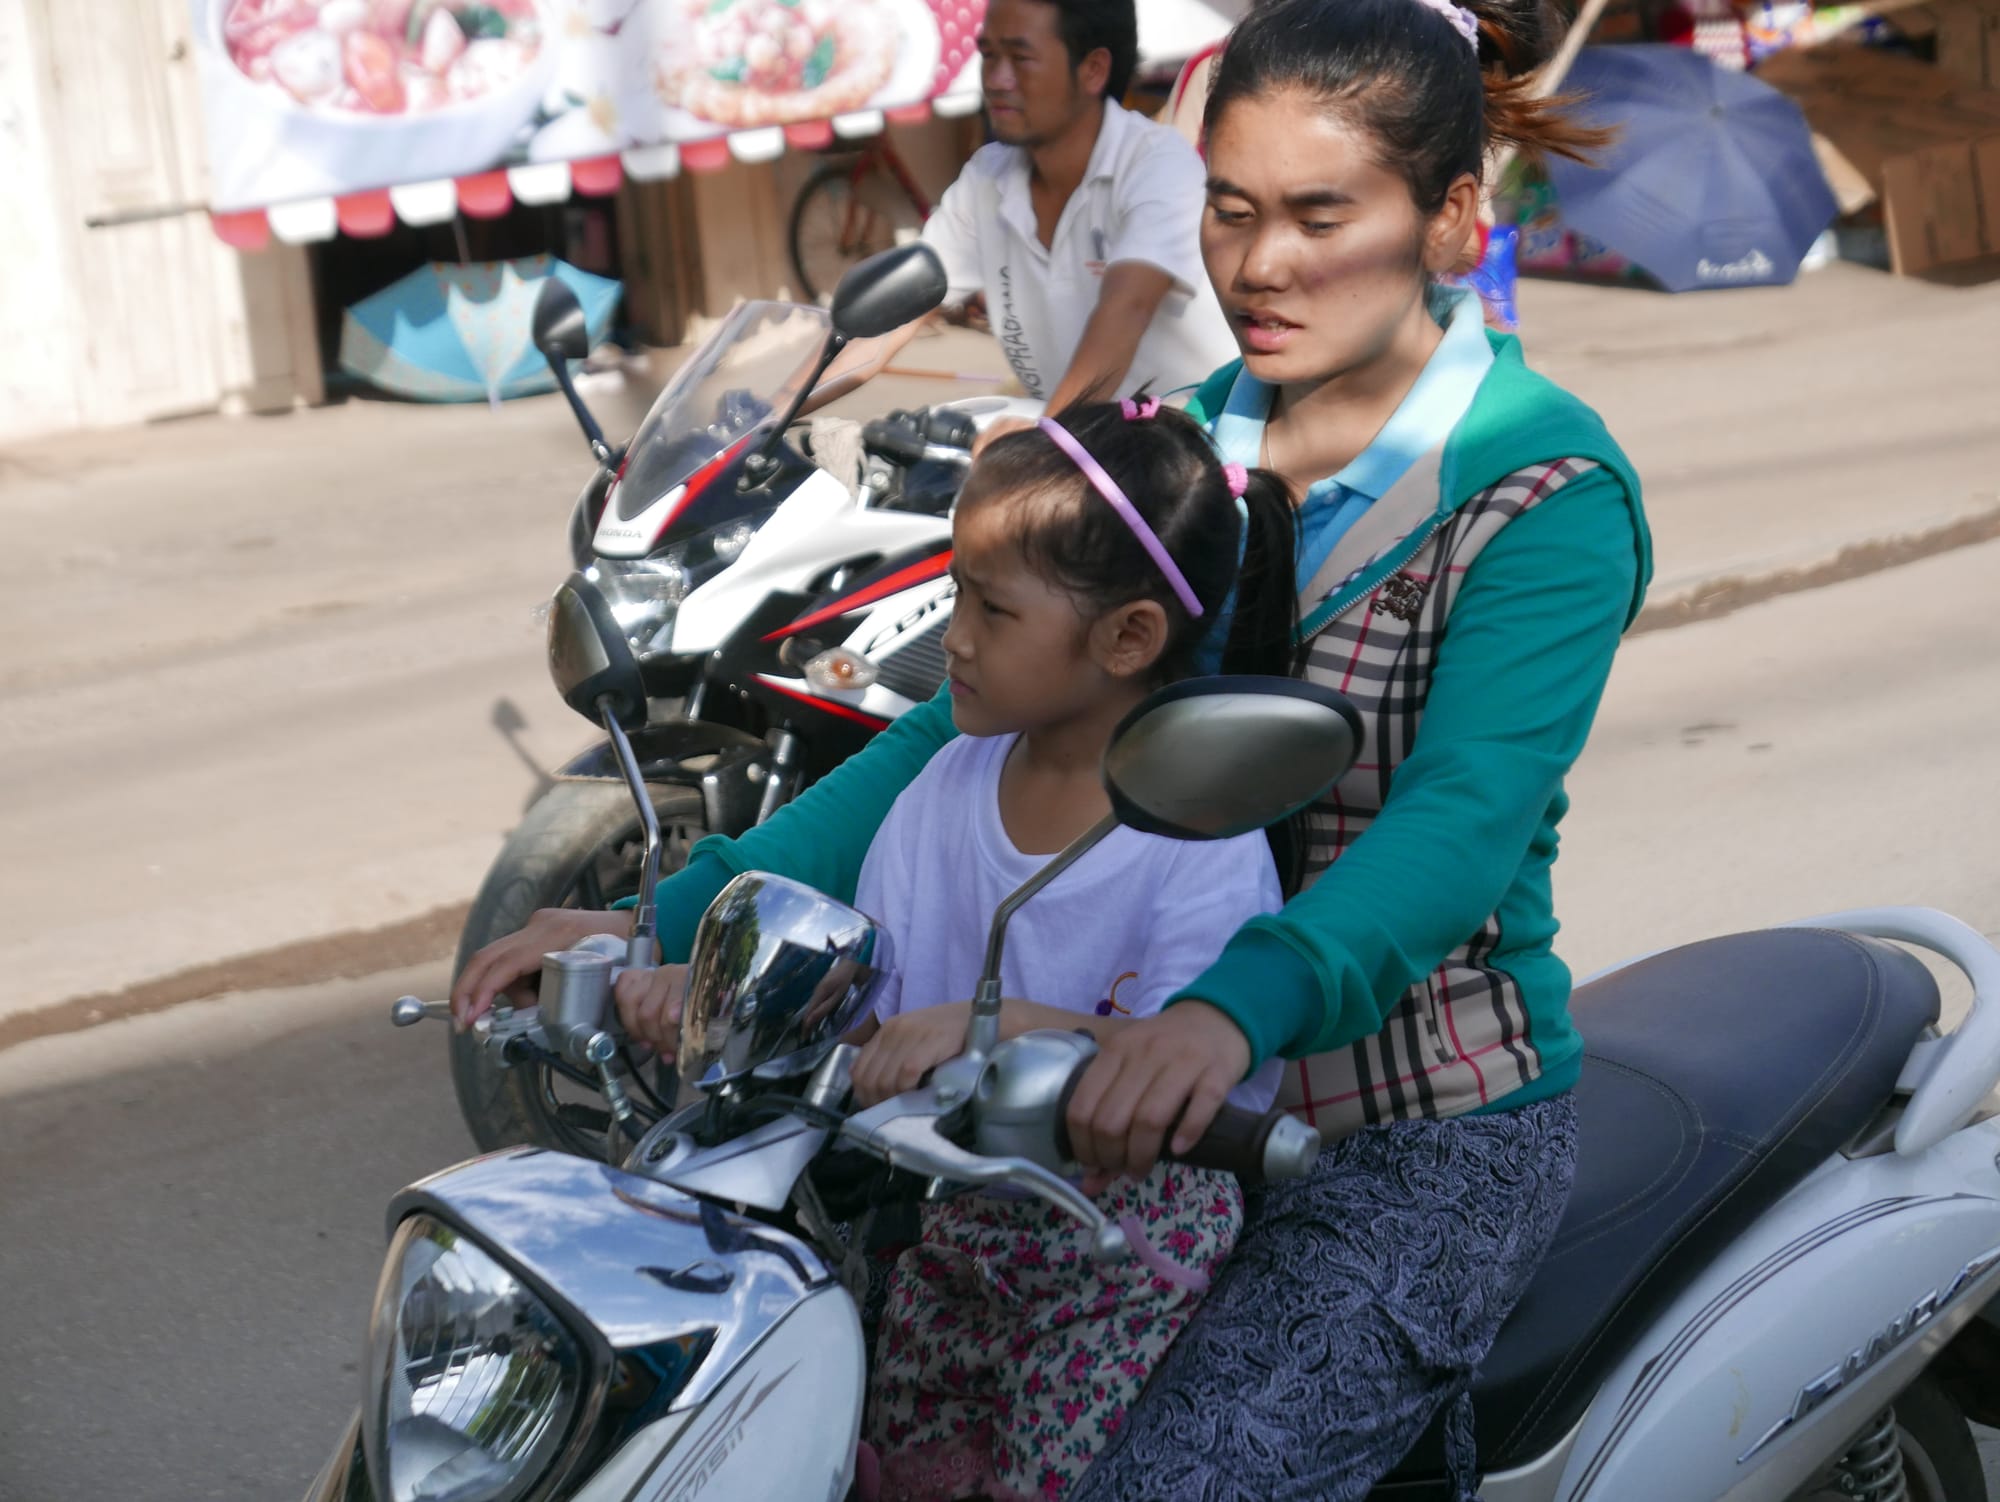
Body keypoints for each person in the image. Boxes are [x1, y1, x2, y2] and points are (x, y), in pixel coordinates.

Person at [454, 0, 1652, 1492]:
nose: (1259, 265)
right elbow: (950, 736)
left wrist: (1227, 1013)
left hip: (1405, 1136)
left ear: (1454, 215)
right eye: (1229, 210)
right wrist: (668, 912)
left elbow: (1460, 826)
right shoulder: (1182, 446)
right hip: (1088, 1108)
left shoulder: (1540, 490)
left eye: (1318, 216)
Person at [840, 398, 1297, 1501]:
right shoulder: (944, 783)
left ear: (1128, 637)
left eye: (991, 607)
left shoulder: (1195, 835)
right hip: (960, 1221)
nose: (950, 634)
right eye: (955, 591)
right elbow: (873, 993)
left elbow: (1182, 1075)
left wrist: (995, 1027)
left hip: (1119, 1245)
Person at [805, 0, 1237, 430]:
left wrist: (1036, 451)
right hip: (1078, 444)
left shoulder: (1158, 166)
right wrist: (769, 418)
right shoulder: (986, 180)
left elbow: (1125, 311)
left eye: (1021, 58)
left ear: (1092, 70)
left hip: (1192, 451)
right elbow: (888, 324)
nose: (996, 79)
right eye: (989, 56)